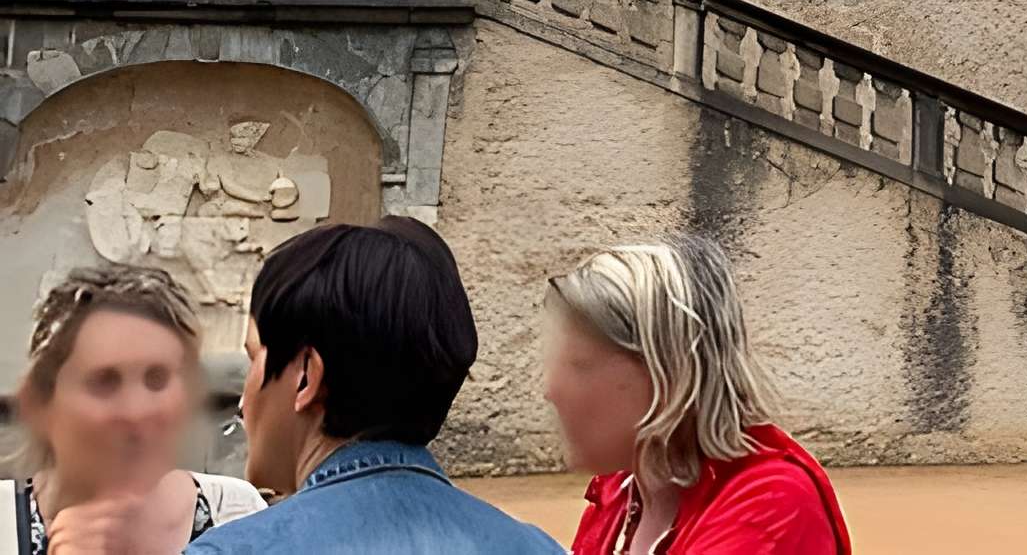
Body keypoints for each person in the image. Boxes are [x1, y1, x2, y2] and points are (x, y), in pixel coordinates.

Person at [194, 217, 560, 550]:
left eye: (254, 357)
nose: (243, 402)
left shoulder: (233, 550)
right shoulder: (536, 547)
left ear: (306, 376)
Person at [546, 239, 848, 555]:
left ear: (670, 373)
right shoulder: (624, 491)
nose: (551, 391)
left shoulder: (770, 503)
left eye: (581, 366)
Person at [10, 264, 263, 552]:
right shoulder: (5, 521)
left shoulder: (237, 514)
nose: (136, 410)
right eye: (104, 380)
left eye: (157, 379)